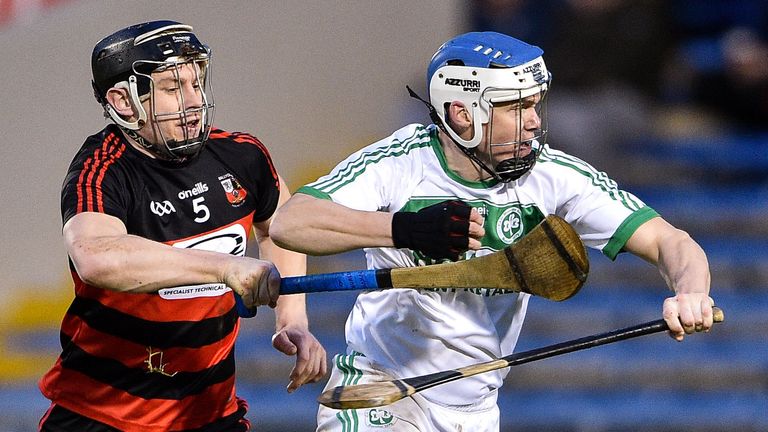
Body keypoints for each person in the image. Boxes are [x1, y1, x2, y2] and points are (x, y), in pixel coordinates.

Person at [269, 31, 715, 432]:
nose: (534, 121)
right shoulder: (400, 161)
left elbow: (670, 241)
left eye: (535, 104)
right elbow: (293, 222)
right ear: (462, 113)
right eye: (516, 107)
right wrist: (407, 229)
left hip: (478, 410)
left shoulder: (555, 176)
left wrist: (691, 292)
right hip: (381, 390)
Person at [38, 20, 326, 431]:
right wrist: (224, 267)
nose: (194, 101)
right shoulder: (101, 170)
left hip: (210, 414)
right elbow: (96, 257)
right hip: (101, 416)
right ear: (123, 101)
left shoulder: (241, 156)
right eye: (174, 88)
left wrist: (292, 319)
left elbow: (282, 225)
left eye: (196, 83)